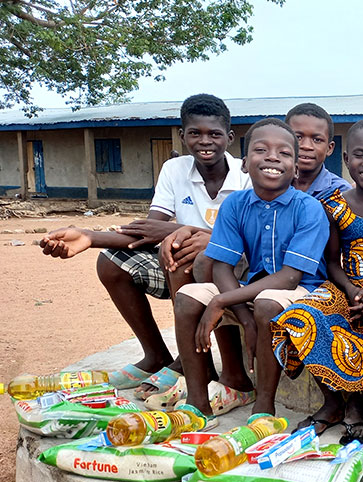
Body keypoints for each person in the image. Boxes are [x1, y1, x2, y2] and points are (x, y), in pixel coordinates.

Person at [39, 94, 249, 401]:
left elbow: (249, 237)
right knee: (111, 262)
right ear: (182, 135)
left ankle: (197, 364)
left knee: (191, 256)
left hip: (233, 268)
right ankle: (157, 356)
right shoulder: (174, 170)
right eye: (195, 133)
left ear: (229, 138)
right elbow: (150, 231)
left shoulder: (245, 174)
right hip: (181, 268)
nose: (205, 141)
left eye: (214, 134)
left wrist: (184, 232)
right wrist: (87, 235)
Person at [174, 118, 330, 418]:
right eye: (261, 150)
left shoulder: (308, 208)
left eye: (284, 153)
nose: (272, 157)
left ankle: (264, 406)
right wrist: (244, 319)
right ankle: (197, 404)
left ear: (296, 167)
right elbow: (221, 266)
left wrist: (222, 301)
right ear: (245, 164)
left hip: (304, 290)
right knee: (187, 297)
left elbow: (289, 277)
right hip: (254, 289)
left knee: (267, 303)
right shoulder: (235, 204)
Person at [272, 119, 363, 443]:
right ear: (346, 159)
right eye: (360, 154)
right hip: (344, 284)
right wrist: (350, 290)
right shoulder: (334, 206)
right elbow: (331, 261)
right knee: (302, 315)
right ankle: (331, 403)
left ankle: (357, 404)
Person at [285, 103, 351, 200]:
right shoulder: (271, 185)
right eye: (298, 137)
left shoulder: (340, 192)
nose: (306, 146)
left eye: (317, 140)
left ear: (329, 148)